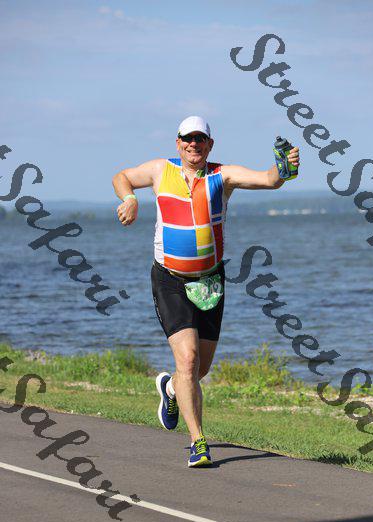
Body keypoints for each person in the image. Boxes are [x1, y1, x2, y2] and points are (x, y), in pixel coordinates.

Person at [112, 116, 300, 467]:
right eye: (188, 138)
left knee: (199, 369)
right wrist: (130, 199)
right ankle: (198, 442)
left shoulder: (222, 176)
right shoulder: (160, 170)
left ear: (210, 145)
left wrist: (285, 167)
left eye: (200, 139)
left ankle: (170, 389)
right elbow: (121, 176)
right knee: (187, 359)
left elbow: (269, 180)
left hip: (211, 281)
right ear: (178, 142)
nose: (193, 144)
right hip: (170, 280)